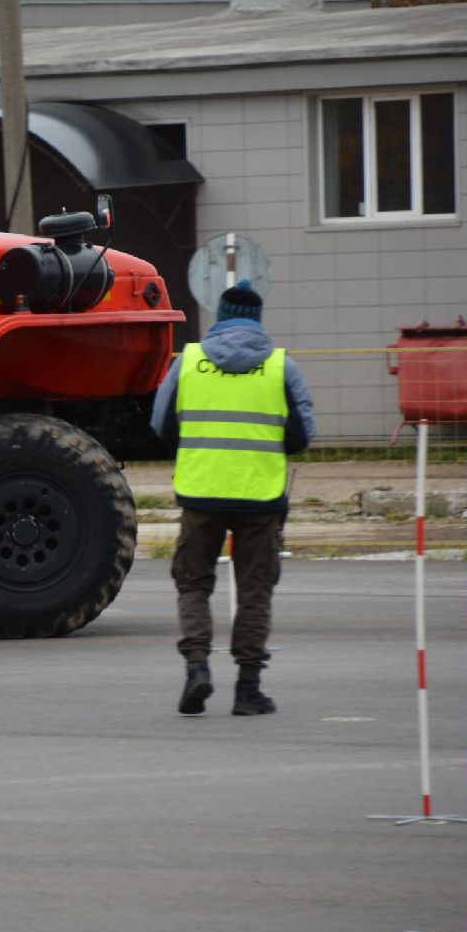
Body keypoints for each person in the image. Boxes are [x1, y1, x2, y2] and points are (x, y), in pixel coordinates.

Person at [151, 279, 315, 716]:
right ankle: (248, 689)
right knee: (255, 591)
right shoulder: (282, 367)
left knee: (193, 583)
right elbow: (301, 436)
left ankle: (198, 667)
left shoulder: (188, 362)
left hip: (201, 492)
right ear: (257, 320)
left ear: (220, 317)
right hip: (260, 498)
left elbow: (162, 425)